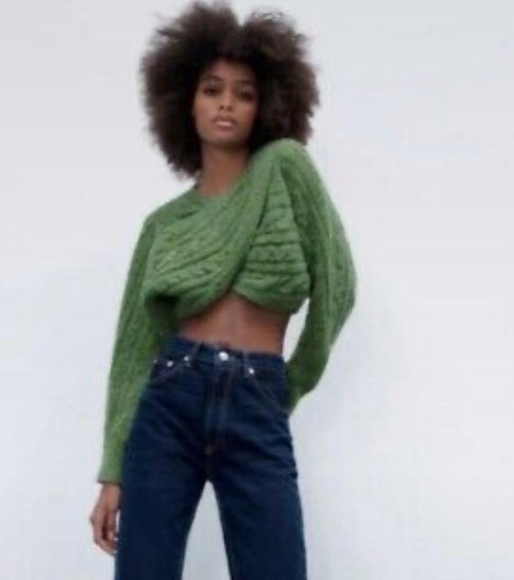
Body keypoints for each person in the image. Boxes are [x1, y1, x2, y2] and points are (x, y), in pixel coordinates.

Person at [89, 1, 356, 578]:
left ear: (268, 105)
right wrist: (112, 471)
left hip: (258, 400)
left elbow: (339, 287)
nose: (227, 103)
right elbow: (134, 352)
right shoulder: (164, 225)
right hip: (170, 400)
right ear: (185, 101)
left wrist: (287, 384)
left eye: (244, 93)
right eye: (212, 90)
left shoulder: (286, 167)